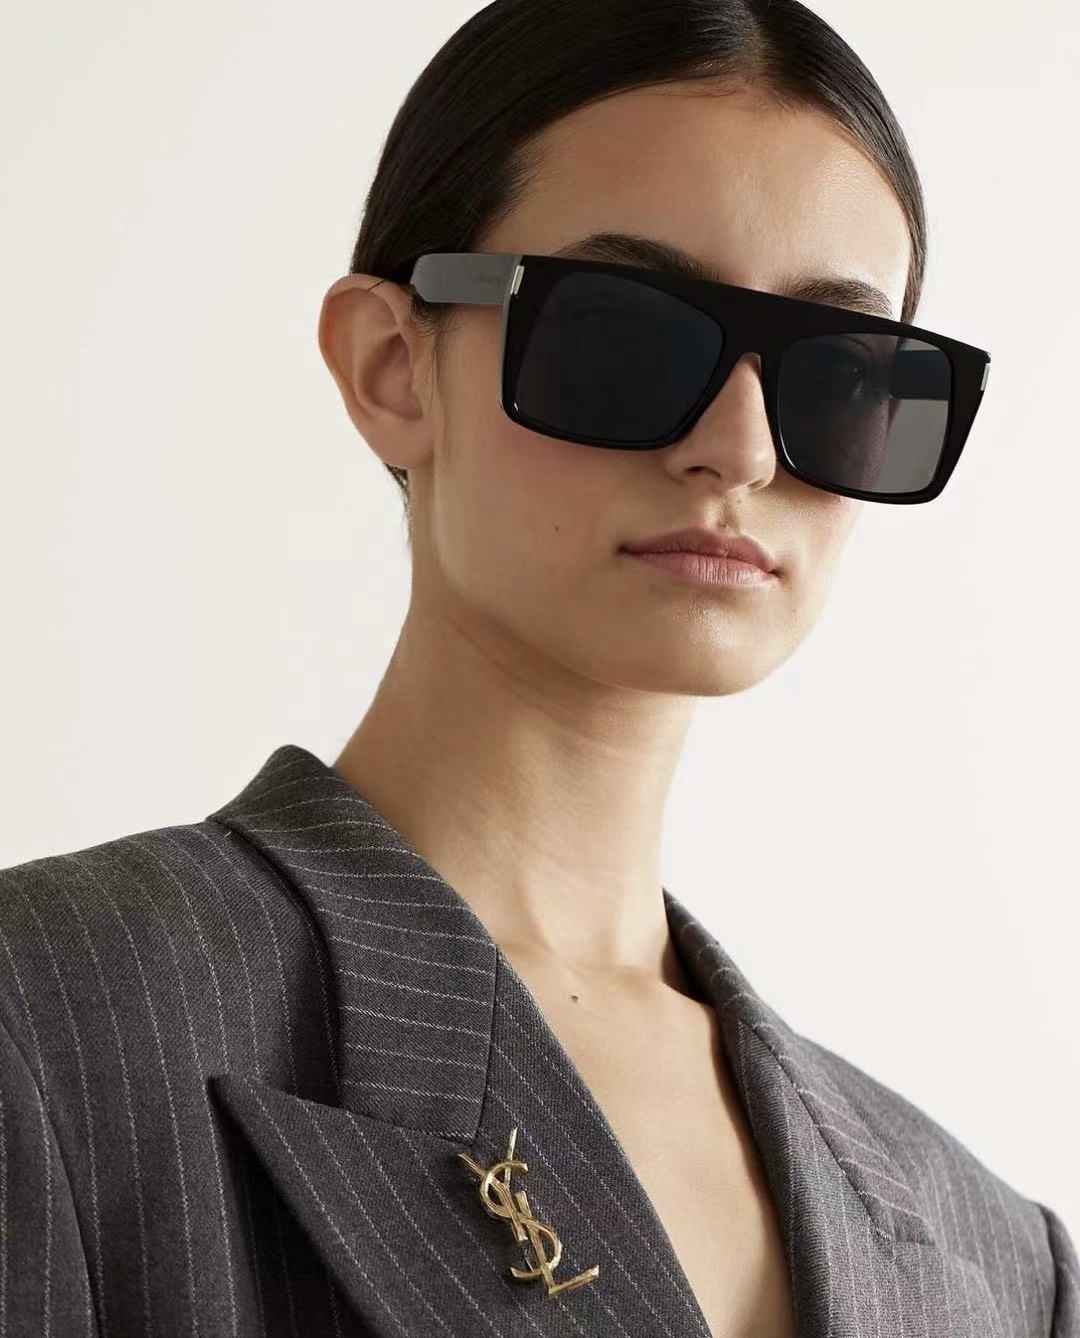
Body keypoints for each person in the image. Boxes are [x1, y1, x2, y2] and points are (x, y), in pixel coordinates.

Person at [2, 1, 1076, 1335]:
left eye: (839, 373)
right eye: (628, 335)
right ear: (393, 367)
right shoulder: (52, 1022)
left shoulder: (998, 1259)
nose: (740, 449)